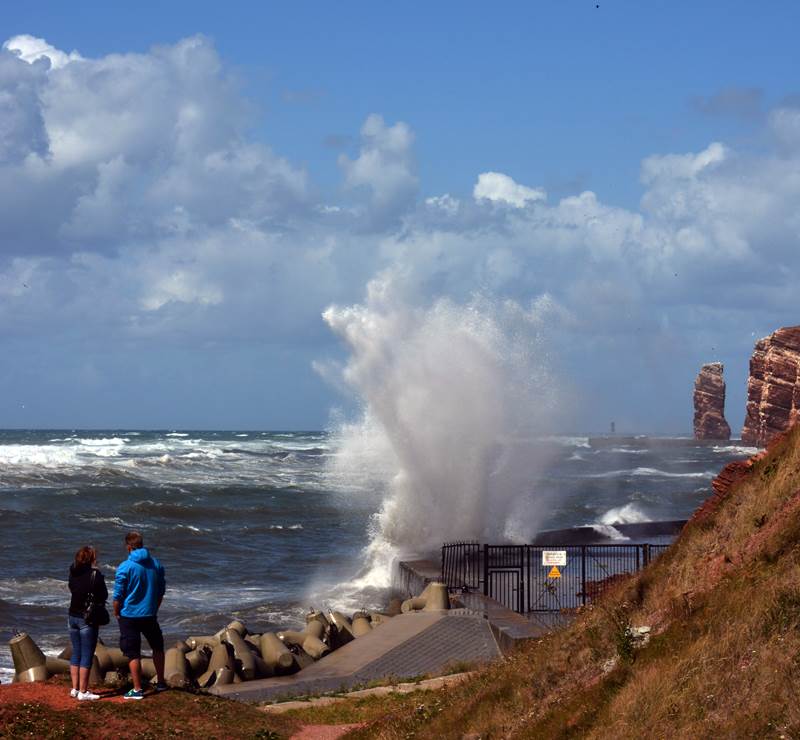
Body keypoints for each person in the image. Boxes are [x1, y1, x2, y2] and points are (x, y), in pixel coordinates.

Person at [113, 531, 167, 699]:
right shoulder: (155, 564)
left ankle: (137, 689)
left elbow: (118, 596)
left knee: (132, 653)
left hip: (130, 615)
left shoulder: (125, 566)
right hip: (150, 613)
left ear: (128, 547)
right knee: (157, 647)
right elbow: (161, 591)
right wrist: (154, 608)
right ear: (142, 544)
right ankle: (161, 682)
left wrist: (116, 613)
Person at [68, 545, 107, 701]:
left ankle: (75, 688)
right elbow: (103, 595)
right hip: (87, 617)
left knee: (76, 652)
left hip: (72, 615)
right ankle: (84, 691)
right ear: (91, 559)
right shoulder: (94, 575)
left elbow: (72, 588)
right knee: (87, 654)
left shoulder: (73, 571)